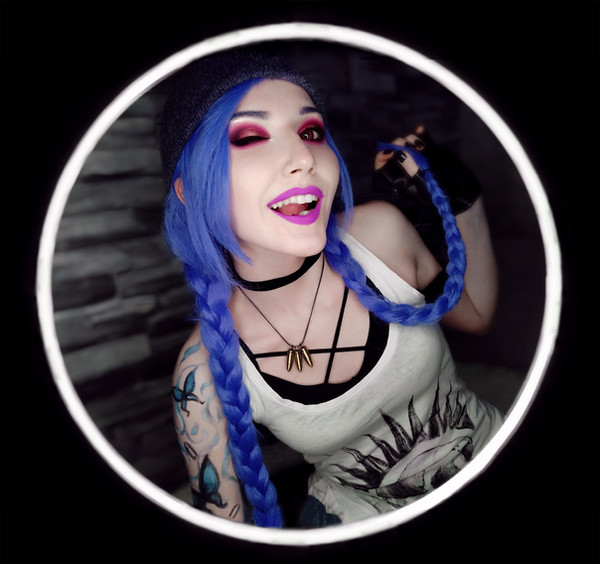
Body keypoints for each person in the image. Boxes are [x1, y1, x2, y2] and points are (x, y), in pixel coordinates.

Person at [159, 47, 502, 529]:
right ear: (189, 189)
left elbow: (477, 316)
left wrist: (464, 201)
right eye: (250, 137)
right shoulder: (202, 374)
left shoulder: (379, 233)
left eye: (311, 132)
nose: (304, 158)